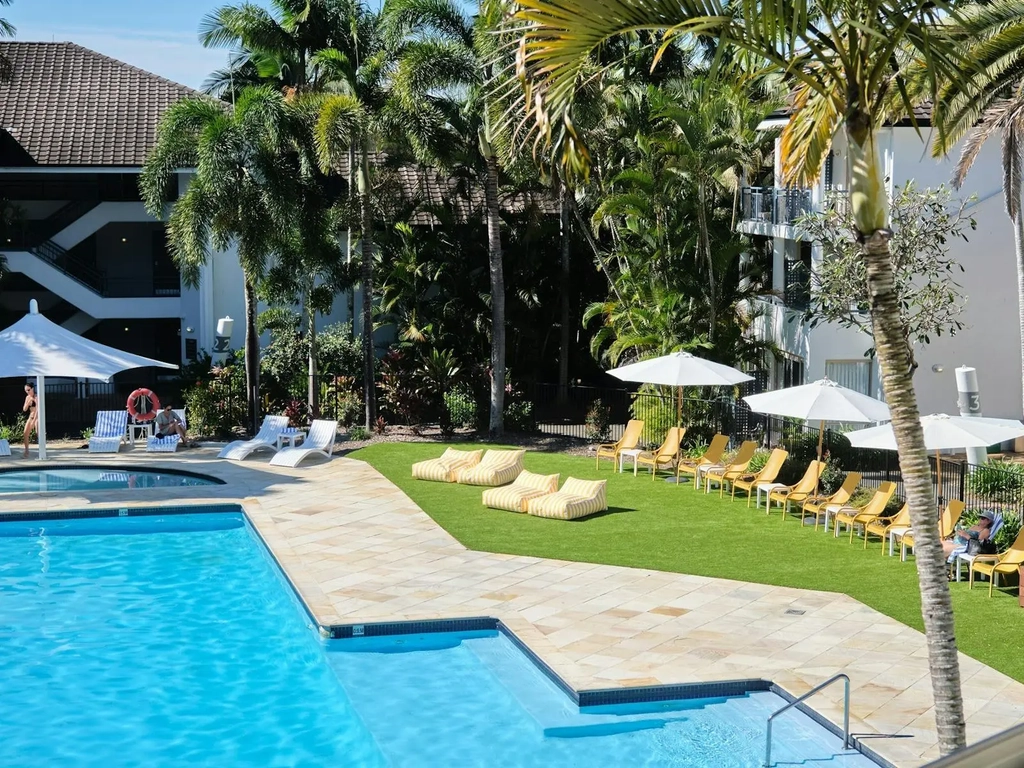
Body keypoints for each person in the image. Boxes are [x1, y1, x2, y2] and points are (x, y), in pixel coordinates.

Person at [22, 382, 37, 458]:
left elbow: (38, 410)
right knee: (25, 433)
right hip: (31, 417)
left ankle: (42, 451)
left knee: (38, 433)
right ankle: (26, 451)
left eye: (28, 390)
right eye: (26, 390)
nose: (27, 392)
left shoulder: (36, 397)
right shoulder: (27, 397)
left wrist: (34, 421)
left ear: (32, 389)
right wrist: (28, 402)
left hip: (37, 417)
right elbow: (24, 409)